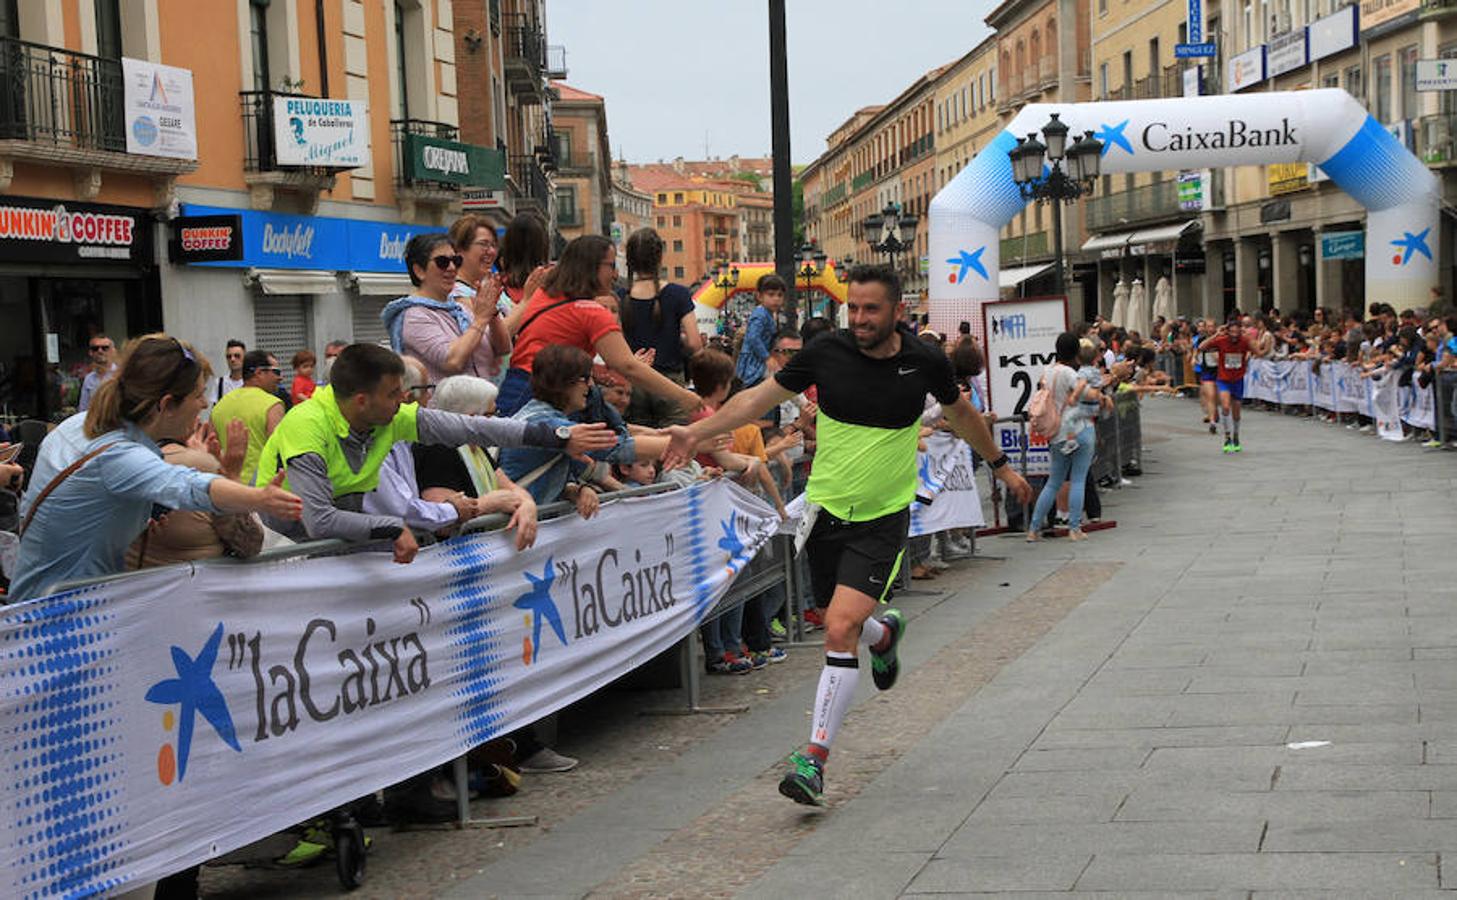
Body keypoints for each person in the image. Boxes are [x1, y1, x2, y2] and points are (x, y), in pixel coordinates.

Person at [664, 264, 1032, 807]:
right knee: (849, 622)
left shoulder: (924, 360)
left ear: (896, 312)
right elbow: (756, 401)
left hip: (883, 518)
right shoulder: (826, 353)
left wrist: (1000, 465)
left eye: (870, 310)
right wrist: (696, 431)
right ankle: (883, 637)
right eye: (852, 308)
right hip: (826, 511)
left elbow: (963, 414)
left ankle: (813, 759)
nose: (858, 319)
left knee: (837, 628)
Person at [253, 343, 615, 564]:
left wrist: (559, 436)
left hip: (334, 547)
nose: (405, 400)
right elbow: (319, 521)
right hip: (284, 548)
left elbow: (474, 428)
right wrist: (392, 527)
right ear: (362, 400)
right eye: (395, 393)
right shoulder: (307, 428)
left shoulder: (388, 414)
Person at [9, 335, 303, 603]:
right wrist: (258, 497)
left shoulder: (80, 424)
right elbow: (185, 485)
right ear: (166, 405)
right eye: (198, 395)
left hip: (42, 605)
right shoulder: (119, 455)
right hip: (64, 619)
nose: (204, 404)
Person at [495, 234, 703, 418]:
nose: (614, 275)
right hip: (545, 395)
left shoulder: (544, 294)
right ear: (591, 266)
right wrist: (682, 396)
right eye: (611, 266)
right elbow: (628, 366)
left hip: (516, 386)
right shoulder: (590, 311)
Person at [380, 232, 509, 386]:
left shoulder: (460, 309)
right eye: (442, 262)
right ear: (419, 271)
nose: (452, 268)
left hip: (483, 406)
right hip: (445, 408)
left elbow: (503, 348)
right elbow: (452, 361)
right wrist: (480, 320)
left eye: (456, 260)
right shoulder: (414, 315)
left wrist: (492, 312)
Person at [618, 228, 704, 427]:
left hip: (635, 381)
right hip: (670, 382)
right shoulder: (678, 294)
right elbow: (694, 343)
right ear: (660, 257)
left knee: (642, 448)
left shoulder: (621, 297)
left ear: (629, 260)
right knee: (675, 447)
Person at [1026, 333, 1102, 544]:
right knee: (1078, 480)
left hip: (1057, 434)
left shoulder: (1047, 372)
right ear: (1076, 352)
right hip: (1080, 429)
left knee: (1053, 482)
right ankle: (1074, 528)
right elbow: (1087, 394)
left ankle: (1033, 529)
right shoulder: (1070, 373)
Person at [210, 350, 285, 487]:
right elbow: (279, 453)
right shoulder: (273, 405)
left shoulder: (219, 406)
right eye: (276, 372)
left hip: (228, 488)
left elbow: (211, 450)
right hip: (260, 490)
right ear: (259, 373)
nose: (280, 378)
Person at [1201, 318, 1260, 452]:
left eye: (1237, 332)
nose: (1234, 335)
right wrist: (1216, 334)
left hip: (1238, 380)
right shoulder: (1221, 340)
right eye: (1231, 332)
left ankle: (1236, 436)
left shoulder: (1244, 341)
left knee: (1237, 413)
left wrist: (1251, 340)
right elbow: (1201, 347)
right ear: (1227, 331)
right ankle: (1227, 438)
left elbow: (1259, 353)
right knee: (1226, 406)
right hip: (1223, 379)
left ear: (1240, 332)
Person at [733, 274, 786, 388]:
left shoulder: (770, 314)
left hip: (760, 361)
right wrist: (766, 357)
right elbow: (753, 337)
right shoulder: (760, 314)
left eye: (780, 295)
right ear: (759, 296)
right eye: (771, 294)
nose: (776, 299)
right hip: (754, 363)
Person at [204, 339, 247, 412]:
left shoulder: (252, 382)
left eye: (237, 356)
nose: (232, 359)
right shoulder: (219, 383)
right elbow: (214, 411)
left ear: (245, 357)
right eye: (229, 356)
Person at [77, 334, 116, 411]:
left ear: (113, 351)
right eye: (95, 348)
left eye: (105, 348)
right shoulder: (88, 379)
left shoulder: (121, 375)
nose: (100, 351)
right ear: (90, 352)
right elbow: (83, 409)